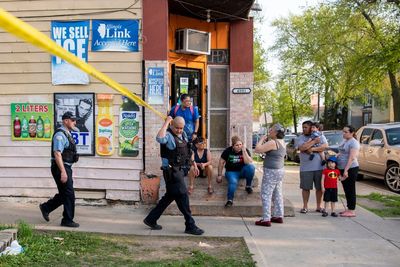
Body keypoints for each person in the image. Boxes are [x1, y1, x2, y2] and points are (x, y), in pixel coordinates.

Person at [143, 116, 204, 235]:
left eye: (181, 128)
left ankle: (151, 219)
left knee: (169, 197)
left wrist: (194, 164)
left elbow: (188, 151)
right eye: (177, 128)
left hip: (180, 171)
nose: (180, 130)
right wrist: (166, 122)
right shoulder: (168, 135)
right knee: (183, 195)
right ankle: (190, 225)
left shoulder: (184, 135)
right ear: (172, 125)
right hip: (171, 172)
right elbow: (159, 138)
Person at [39, 111, 80, 227]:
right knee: (69, 194)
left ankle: (46, 207)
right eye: (72, 120)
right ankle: (67, 220)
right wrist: (63, 171)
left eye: (75, 120)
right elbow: (57, 154)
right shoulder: (60, 135)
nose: (74, 122)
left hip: (66, 167)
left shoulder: (67, 133)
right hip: (60, 167)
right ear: (65, 121)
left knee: (64, 194)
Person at [254, 124, 286, 227]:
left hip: (271, 171)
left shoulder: (273, 142)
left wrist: (262, 139)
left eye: (271, 130)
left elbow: (257, 150)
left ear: (276, 132)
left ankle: (266, 218)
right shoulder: (282, 142)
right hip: (280, 170)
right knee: (277, 193)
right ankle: (278, 215)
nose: (269, 131)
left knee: (266, 194)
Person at [296, 120, 328, 214]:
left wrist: (311, 148)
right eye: (303, 127)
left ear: (311, 127)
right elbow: (302, 148)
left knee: (319, 188)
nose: (304, 129)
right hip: (306, 168)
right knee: (305, 188)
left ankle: (319, 206)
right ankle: (305, 207)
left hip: (319, 167)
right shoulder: (301, 137)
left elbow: (325, 146)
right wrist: (314, 141)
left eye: (306, 127)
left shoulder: (320, 135)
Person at [217, 136, 255, 207]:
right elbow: (221, 163)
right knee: (233, 182)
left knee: (251, 167)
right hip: (231, 172)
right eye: (237, 145)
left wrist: (244, 151)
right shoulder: (227, 151)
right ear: (233, 146)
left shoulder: (245, 150)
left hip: (242, 171)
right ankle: (230, 200)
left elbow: (247, 162)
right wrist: (219, 175)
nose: (239, 146)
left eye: (240, 144)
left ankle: (248, 186)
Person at [337, 125, 360, 217]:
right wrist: (337, 155)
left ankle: (351, 210)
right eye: (343, 131)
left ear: (352, 133)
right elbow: (342, 152)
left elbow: (351, 158)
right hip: (342, 167)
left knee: (350, 189)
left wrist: (346, 171)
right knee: (346, 189)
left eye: (346, 132)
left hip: (350, 168)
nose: (343, 133)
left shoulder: (354, 143)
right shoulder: (345, 141)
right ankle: (348, 208)